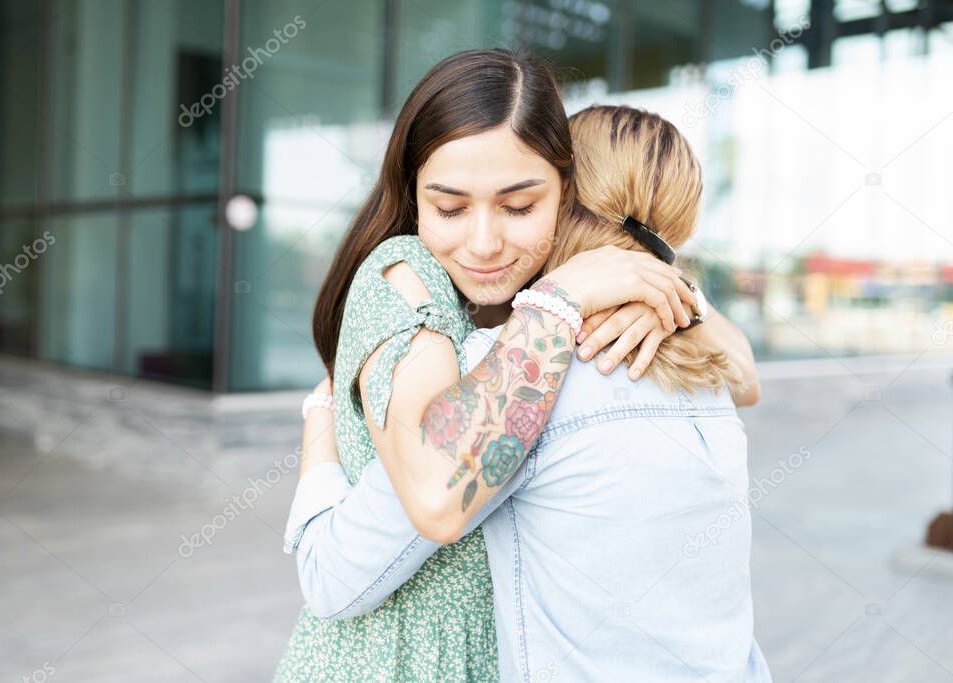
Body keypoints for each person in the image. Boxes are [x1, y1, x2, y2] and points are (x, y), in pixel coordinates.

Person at [283, 105, 770, 681]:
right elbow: (748, 380)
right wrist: (675, 294)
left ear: (563, 200)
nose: (487, 241)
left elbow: (333, 576)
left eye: (518, 203)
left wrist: (321, 415)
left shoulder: (514, 374)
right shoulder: (708, 371)